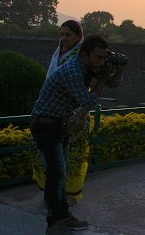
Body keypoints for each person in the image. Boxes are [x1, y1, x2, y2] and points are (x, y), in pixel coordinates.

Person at [31, 34, 112, 232]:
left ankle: (63, 216)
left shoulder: (82, 67)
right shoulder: (73, 72)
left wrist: (113, 74)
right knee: (56, 174)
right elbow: (88, 102)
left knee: (60, 173)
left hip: (57, 125)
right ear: (84, 55)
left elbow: (112, 84)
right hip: (46, 126)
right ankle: (54, 221)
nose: (101, 62)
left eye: (104, 58)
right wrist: (102, 81)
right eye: (98, 57)